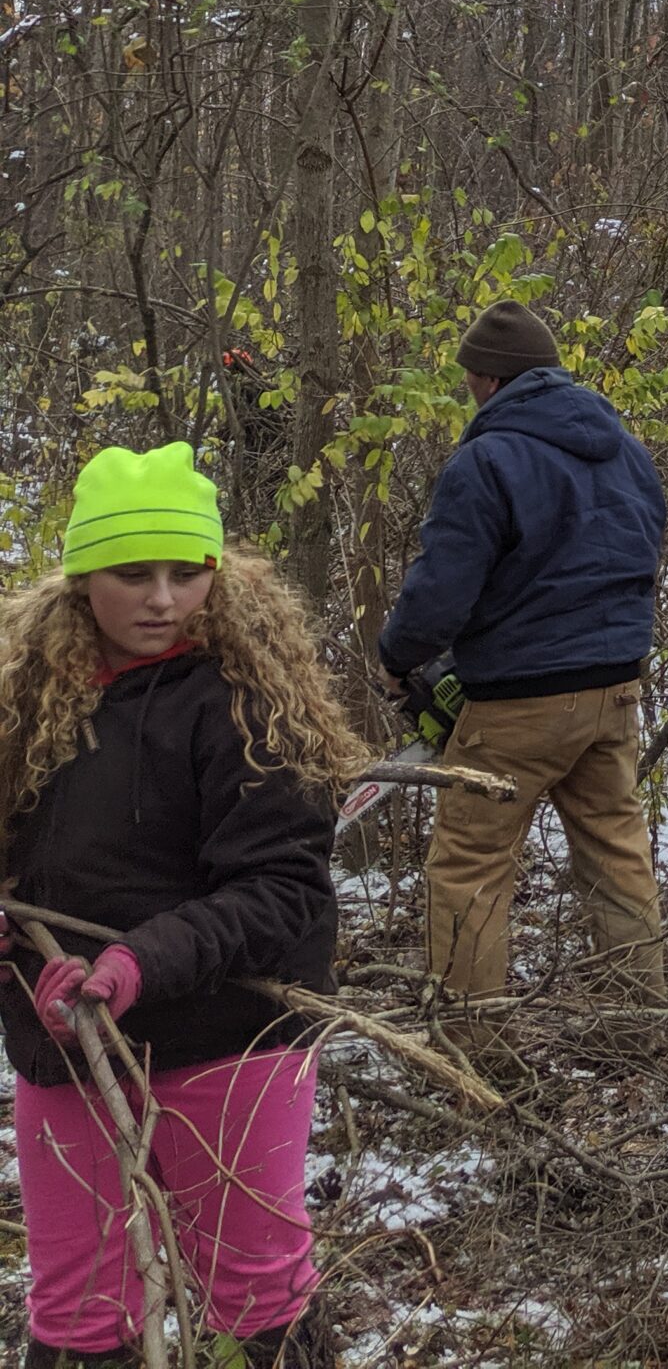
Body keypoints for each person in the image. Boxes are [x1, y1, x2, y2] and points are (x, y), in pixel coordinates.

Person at [0, 444, 367, 1367]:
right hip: (65, 1043)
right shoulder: (25, 697)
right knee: (78, 1307)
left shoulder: (249, 701)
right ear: (85, 577)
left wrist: (134, 965)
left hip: (227, 1034)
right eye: (134, 573)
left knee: (255, 1288)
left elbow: (283, 891)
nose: (163, 598)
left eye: (186, 572)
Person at [375, 299, 668, 1023]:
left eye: (472, 378)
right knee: (617, 855)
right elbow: (648, 542)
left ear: (489, 380)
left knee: (470, 866)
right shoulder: (625, 448)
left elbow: (442, 590)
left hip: (517, 701)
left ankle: (471, 1046)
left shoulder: (485, 460)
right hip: (617, 688)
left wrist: (398, 655)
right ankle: (638, 1025)